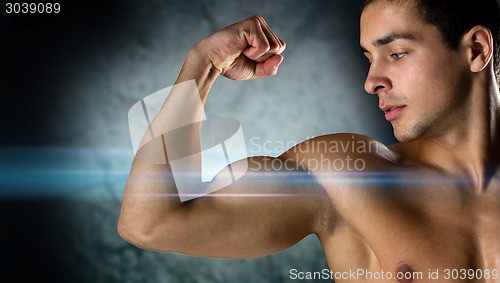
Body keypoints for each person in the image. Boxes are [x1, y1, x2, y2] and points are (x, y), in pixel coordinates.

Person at [118, 0, 500, 281]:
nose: (372, 81)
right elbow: (151, 222)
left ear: (477, 50)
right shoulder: (346, 174)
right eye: (368, 57)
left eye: (396, 53)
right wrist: (203, 63)